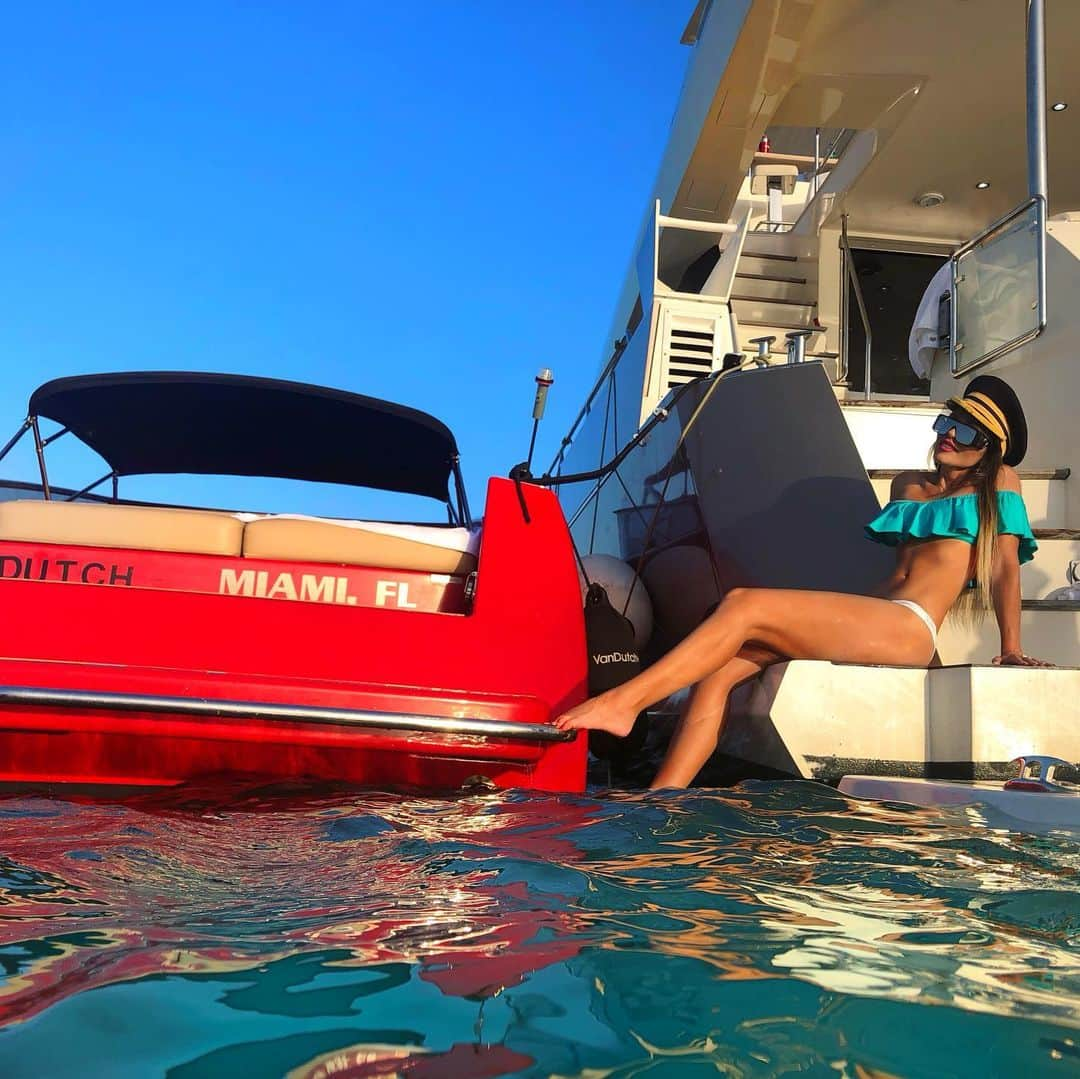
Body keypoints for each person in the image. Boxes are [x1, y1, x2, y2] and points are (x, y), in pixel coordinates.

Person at [555, 375, 1051, 789]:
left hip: (911, 627)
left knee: (744, 605)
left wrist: (1011, 646)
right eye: (948, 422)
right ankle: (663, 798)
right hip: (877, 615)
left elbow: (1006, 568)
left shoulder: (999, 483)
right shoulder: (908, 486)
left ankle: (626, 702)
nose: (948, 434)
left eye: (965, 432)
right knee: (724, 669)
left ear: (988, 450)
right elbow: (899, 573)